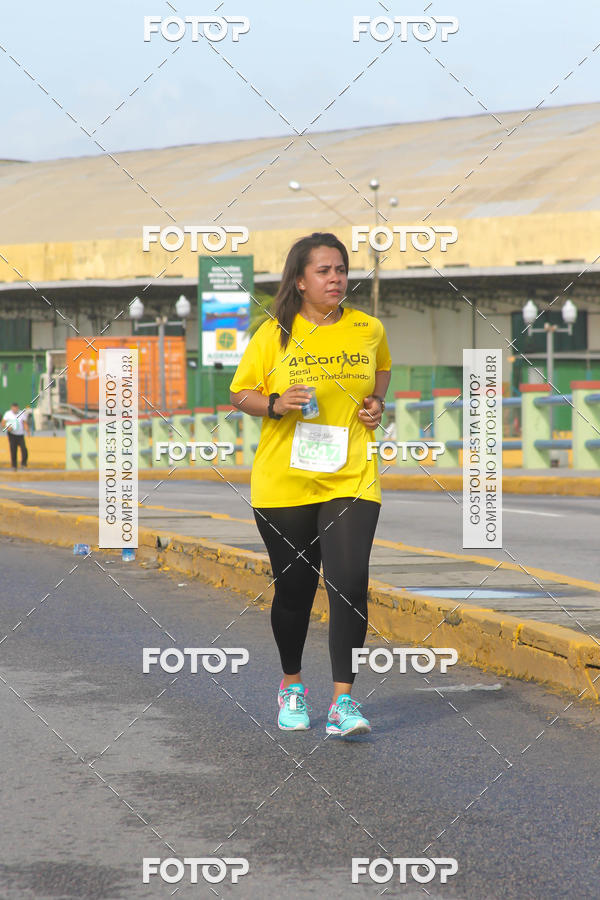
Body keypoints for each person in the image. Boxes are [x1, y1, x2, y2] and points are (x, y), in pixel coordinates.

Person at [230, 233, 392, 737]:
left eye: (341, 270)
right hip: (285, 482)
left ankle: (344, 701)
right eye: (324, 271)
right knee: (295, 591)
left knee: (349, 584)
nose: (336, 279)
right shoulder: (274, 333)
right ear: (300, 281)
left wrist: (375, 404)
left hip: (352, 477)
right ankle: (292, 684)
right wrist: (276, 402)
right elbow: (240, 394)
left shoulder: (368, 328)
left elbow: (381, 371)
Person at [1, 402, 30, 470]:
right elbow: (3, 423)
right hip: (12, 434)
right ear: (11, 408)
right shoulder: (8, 414)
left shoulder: (21, 413)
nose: (15, 409)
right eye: (13, 408)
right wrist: (7, 428)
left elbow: (24, 423)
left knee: (24, 449)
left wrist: (28, 431)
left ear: (18, 408)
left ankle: (24, 464)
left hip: (20, 434)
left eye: (16, 408)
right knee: (13, 450)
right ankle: (14, 466)